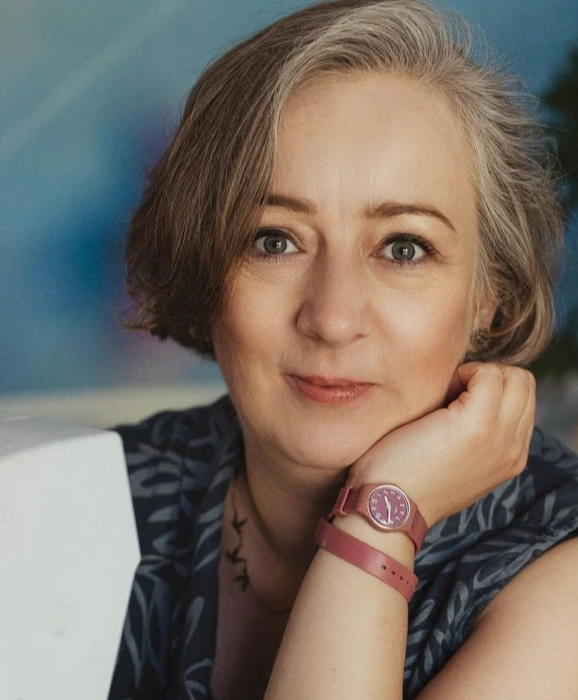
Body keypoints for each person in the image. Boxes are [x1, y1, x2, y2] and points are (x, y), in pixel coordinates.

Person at [109, 1, 578, 698]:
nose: (332, 318)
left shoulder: (564, 579)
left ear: (491, 296)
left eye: (404, 247)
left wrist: (384, 515)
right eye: (274, 240)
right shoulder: (98, 492)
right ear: (207, 272)